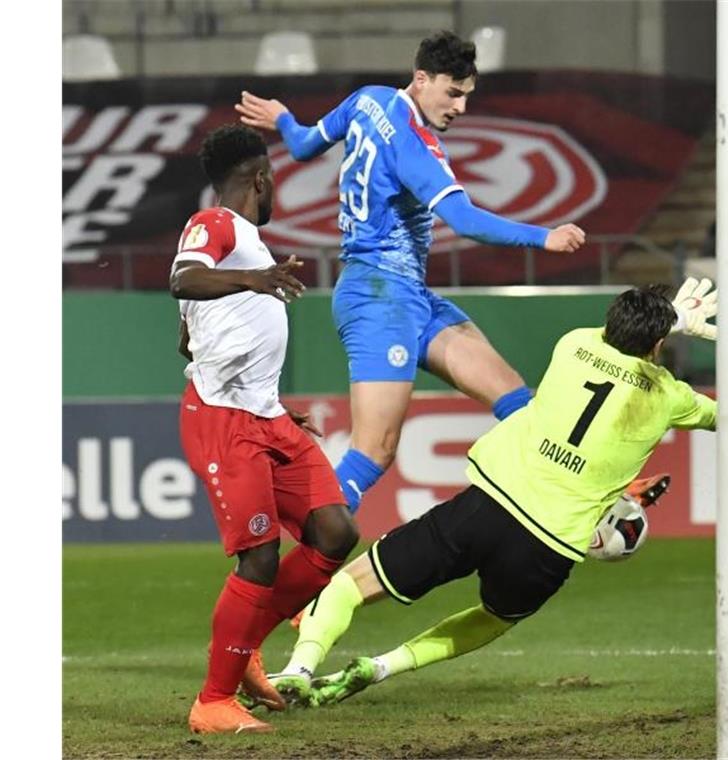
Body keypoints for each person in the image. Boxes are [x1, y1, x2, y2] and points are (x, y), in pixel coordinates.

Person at [259, 283, 728, 706]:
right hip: (550, 547)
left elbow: (625, 339)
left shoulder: (574, 345)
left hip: (487, 506)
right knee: (493, 618)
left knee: (354, 583)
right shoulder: (671, 397)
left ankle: (300, 668)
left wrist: (672, 316)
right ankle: (382, 666)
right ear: (657, 346)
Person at [233, 30, 587, 517]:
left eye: (467, 95)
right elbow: (463, 220)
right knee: (373, 452)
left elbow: (303, 145)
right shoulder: (415, 145)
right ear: (422, 79)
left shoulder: (368, 99)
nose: (460, 107)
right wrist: (541, 236)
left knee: (518, 402)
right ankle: (305, 554)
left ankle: (574, 505)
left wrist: (283, 119)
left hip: (407, 296)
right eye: (453, 93)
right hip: (376, 298)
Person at [171, 124, 360, 734]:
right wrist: (255, 281)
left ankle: (248, 642)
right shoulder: (218, 226)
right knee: (259, 558)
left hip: (266, 416)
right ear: (261, 179)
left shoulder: (243, 243)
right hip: (226, 423)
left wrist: (265, 399)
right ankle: (213, 701)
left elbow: (188, 338)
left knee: (334, 532)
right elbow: (182, 279)